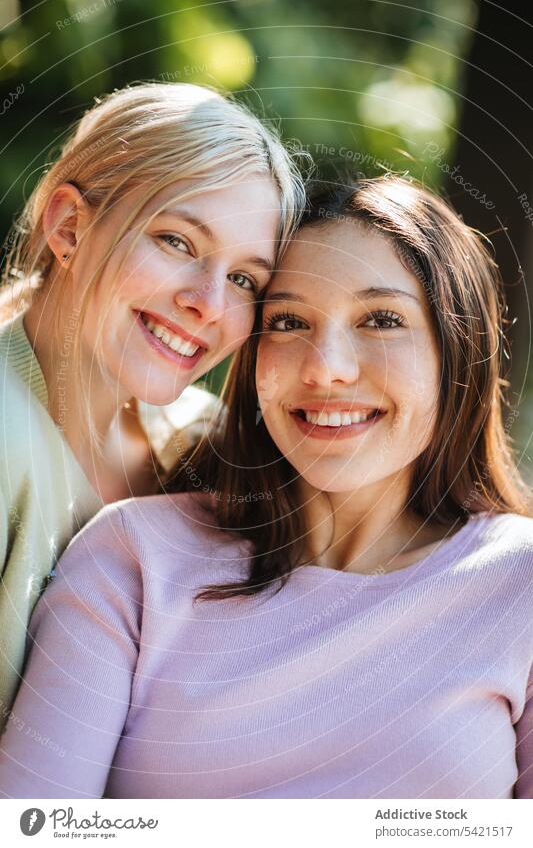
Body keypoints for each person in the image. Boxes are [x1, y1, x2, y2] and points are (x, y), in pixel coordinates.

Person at [1, 176, 531, 799]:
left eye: (382, 319)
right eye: (287, 321)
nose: (326, 367)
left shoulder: (518, 584)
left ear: (456, 349)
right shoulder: (132, 559)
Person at [0, 81, 306, 725]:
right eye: (177, 242)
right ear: (69, 227)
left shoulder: (204, 443)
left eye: (245, 279)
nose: (210, 304)